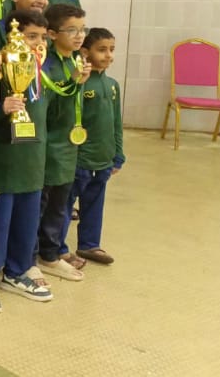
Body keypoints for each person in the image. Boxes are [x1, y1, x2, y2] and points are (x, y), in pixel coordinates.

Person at [0, 9, 54, 315]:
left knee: (26, 222)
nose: (37, 43)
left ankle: (17, 271)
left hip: (32, 161)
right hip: (3, 161)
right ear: (11, 37)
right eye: (31, 36)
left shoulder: (41, 74)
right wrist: (0, 109)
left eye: (42, 37)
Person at [35, 4, 93, 283]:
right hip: (51, 145)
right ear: (52, 34)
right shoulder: (46, 66)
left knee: (61, 204)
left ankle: (51, 252)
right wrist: (73, 84)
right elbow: (49, 112)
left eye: (82, 29)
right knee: (43, 205)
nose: (79, 36)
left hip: (70, 146)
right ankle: (36, 255)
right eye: (72, 30)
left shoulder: (76, 61)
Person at [59, 28, 125, 267]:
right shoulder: (79, 84)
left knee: (95, 203)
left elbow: (116, 122)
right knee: (64, 205)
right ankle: (57, 248)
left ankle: (89, 244)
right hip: (80, 159)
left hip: (103, 158)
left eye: (112, 50)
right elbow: (69, 121)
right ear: (85, 52)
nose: (108, 55)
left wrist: (118, 153)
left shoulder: (113, 85)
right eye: (102, 50)